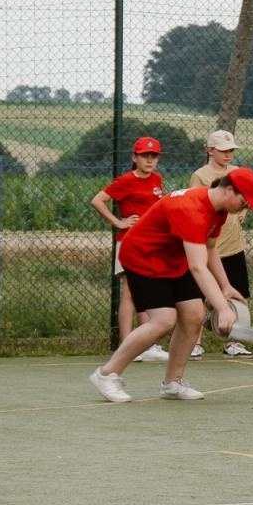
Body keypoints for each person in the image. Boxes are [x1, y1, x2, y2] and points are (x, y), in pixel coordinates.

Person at [88, 167, 253, 403]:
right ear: (230, 190)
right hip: (143, 258)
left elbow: (210, 249)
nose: (245, 207)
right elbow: (198, 267)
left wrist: (225, 286)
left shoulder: (219, 210)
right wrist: (222, 308)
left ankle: (172, 383)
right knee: (163, 320)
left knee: (194, 315)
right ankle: (107, 374)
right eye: (244, 201)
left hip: (173, 259)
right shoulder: (192, 209)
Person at [90, 135, 169, 362]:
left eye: (153, 156)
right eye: (144, 155)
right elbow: (97, 200)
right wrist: (119, 222)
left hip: (151, 243)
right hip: (129, 242)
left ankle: (147, 344)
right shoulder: (125, 181)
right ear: (134, 157)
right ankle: (126, 345)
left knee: (148, 293)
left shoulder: (157, 178)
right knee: (130, 293)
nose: (150, 160)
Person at [189, 129, 253, 358]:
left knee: (236, 293)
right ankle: (195, 342)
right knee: (199, 295)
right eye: (223, 150)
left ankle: (232, 342)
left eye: (231, 150)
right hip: (208, 246)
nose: (228, 155)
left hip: (233, 246)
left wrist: (243, 211)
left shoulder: (237, 173)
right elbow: (196, 205)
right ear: (210, 150)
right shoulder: (200, 175)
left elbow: (247, 198)